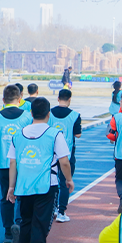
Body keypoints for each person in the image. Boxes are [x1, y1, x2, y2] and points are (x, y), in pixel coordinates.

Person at [7, 97, 74, 243]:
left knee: (26, 220)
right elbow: (64, 161)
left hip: (24, 185)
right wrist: (69, 179)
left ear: (31, 113)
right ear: (48, 114)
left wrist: (11, 187)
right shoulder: (54, 134)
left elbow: (13, 162)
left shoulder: (18, 134)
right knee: (41, 224)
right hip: (46, 185)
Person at [0, 85, 33, 243]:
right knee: (22, 195)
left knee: (6, 196)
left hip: (3, 163)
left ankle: (8, 233)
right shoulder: (27, 116)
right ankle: (20, 225)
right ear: (20, 99)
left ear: (3, 100)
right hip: (23, 163)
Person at [48, 89, 81, 223]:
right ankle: (61, 212)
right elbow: (78, 135)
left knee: (51, 181)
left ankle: (52, 209)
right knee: (65, 183)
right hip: (67, 154)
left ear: (58, 98)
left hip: (50, 153)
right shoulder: (75, 115)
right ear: (69, 99)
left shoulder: (49, 113)